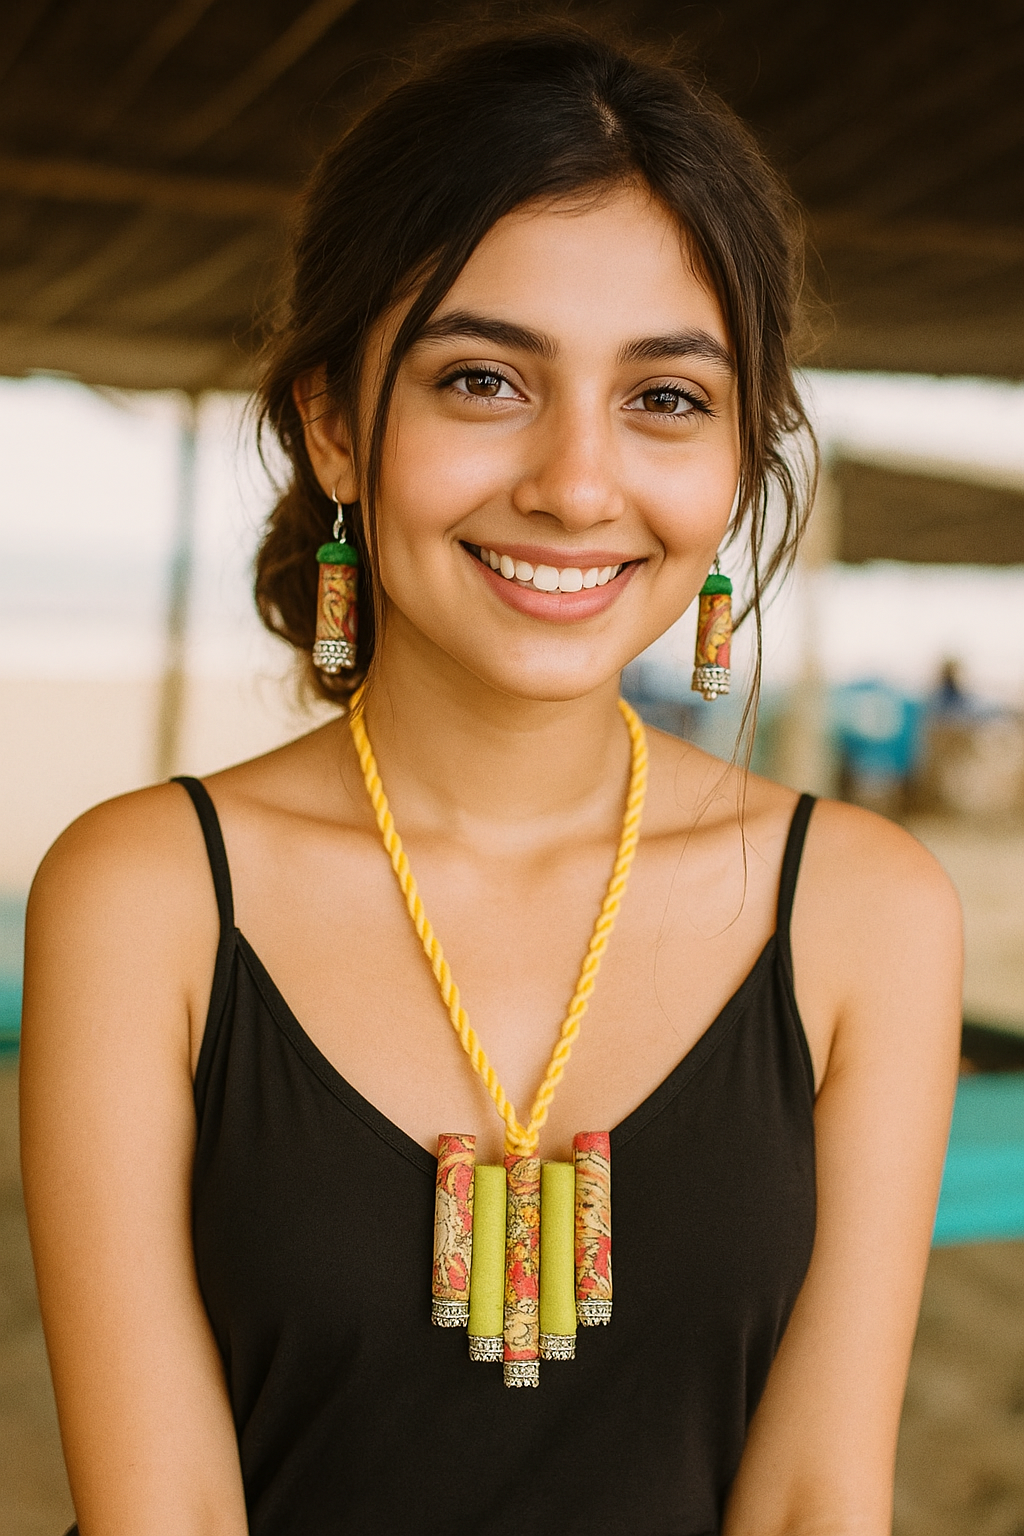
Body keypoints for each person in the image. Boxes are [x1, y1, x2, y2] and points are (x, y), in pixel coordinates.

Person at [21, 26, 962, 1536]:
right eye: (483, 380)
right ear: (335, 422)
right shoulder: (147, 895)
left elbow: (812, 1504)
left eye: (665, 399)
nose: (578, 484)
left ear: (736, 463)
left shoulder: (865, 910)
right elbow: (163, 1513)